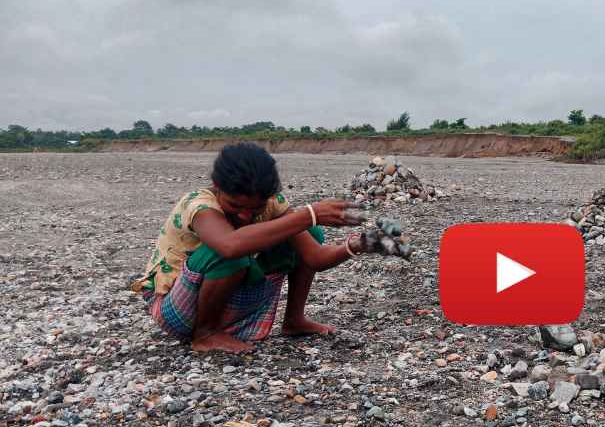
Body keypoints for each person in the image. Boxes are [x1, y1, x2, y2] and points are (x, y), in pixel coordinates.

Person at [131, 142, 410, 353]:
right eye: (236, 206)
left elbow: (314, 257)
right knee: (236, 248)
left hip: (224, 298)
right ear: (217, 188)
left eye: (255, 208)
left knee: (305, 231)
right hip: (175, 309)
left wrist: (362, 244)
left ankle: (294, 320)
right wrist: (308, 213)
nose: (245, 215)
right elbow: (229, 246)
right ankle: (204, 335)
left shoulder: (272, 203)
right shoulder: (199, 204)